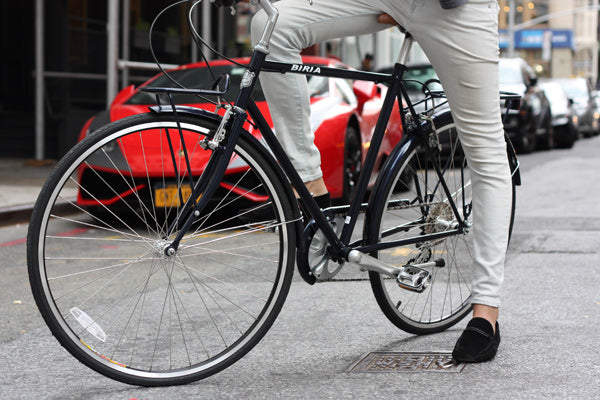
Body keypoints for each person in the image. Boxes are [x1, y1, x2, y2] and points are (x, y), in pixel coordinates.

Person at [218, 0, 511, 363]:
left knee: (485, 149)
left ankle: (486, 311)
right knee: (270, 24)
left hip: (454, 8)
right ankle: (310, 183)